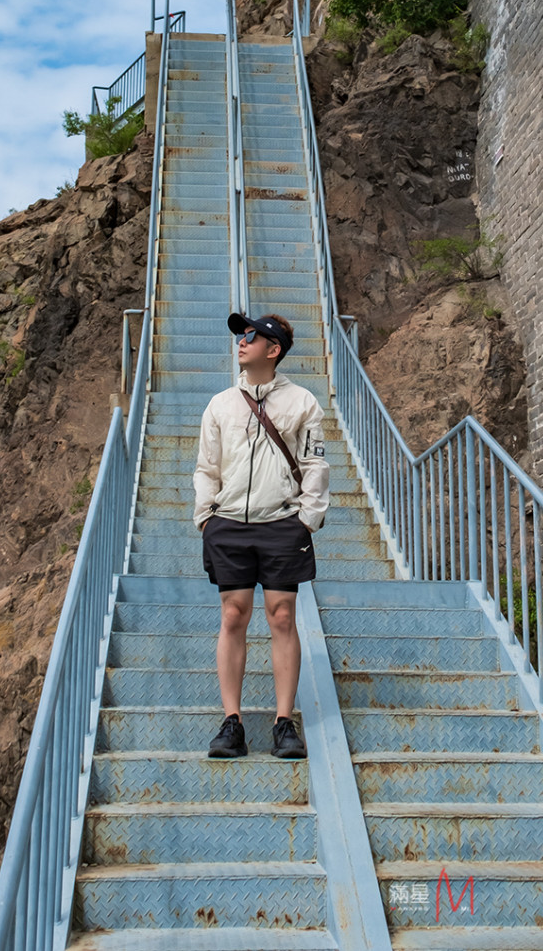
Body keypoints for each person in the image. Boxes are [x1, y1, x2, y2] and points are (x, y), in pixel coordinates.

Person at [194, 312, 329, 760]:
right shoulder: (220, 405)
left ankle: (283, 722)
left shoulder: (303, 403)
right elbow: (206, 468)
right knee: (234, 615)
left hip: (281, 524)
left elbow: (315, 465)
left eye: (251, 336)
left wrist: (306, 519)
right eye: (240, 335)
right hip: (228, 523)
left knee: (282, 617)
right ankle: (231, 722)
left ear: (273, 350)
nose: (241, 341)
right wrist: (205, 518)